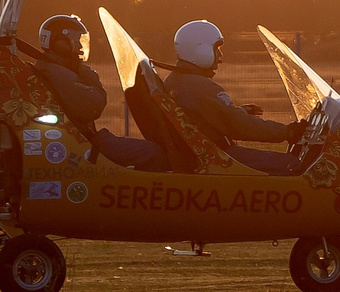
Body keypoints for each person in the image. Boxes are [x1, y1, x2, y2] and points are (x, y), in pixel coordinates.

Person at [166, 19, 308, 176]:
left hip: (204, 155)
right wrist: (287, 132)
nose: (220, 55)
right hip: (218, 156)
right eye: (216, 48)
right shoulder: (200, 86)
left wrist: (239, 111)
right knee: (291, 164)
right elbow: (239, 125)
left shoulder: (176, 80)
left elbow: (207, 118)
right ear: (200, 50)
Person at [35, 14, 163, 169]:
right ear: (60, 43)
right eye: (76, 40)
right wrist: (84, 70)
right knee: (153, 152)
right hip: (84, 142)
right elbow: (93, 106)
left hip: (80, 138)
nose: (80, 46)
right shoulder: (57, 72)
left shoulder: (54, 68)